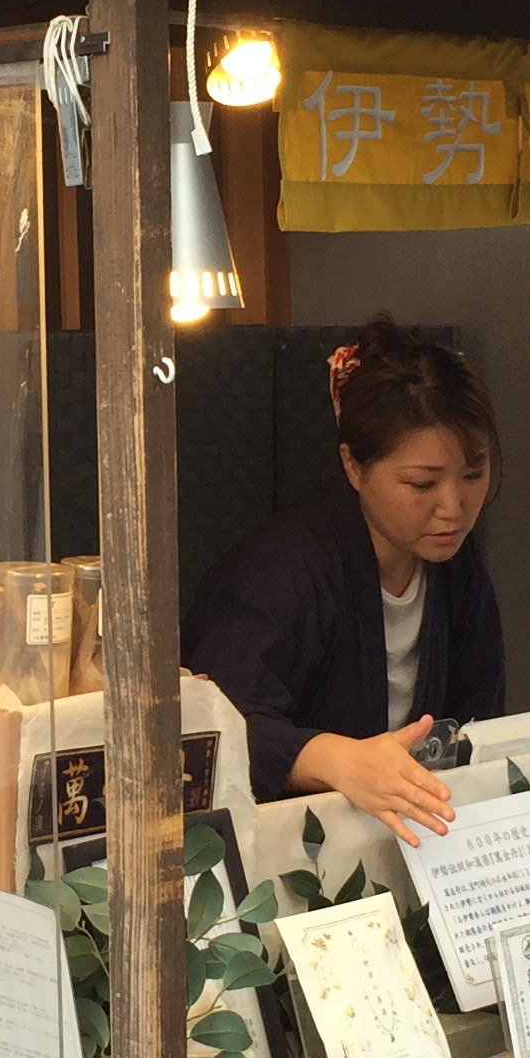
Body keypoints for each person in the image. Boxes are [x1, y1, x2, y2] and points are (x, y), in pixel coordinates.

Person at [183, 319, 504, 844]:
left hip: (418, 836)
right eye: (422, 483)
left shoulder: (458, 568)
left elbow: (481, 720)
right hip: (288, 847)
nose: (453, 507)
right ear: (353, 466)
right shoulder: (280, 571)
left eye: (473, 475)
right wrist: (335, 759)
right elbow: (213, 727)